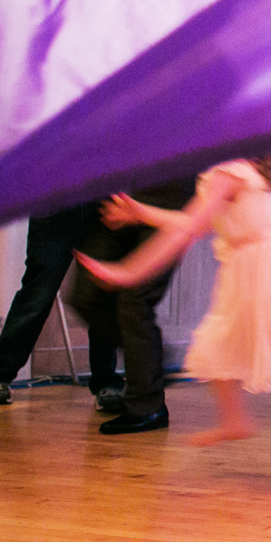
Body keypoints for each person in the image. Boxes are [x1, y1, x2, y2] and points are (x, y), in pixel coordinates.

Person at [76, 157, 271, 486]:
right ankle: (238, 421)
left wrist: (130, 271)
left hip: (268, 281)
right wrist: (142, 214)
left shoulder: (229, 173)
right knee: (225, 349)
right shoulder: (265, 171)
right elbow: (200, 224)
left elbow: (189, 228)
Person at [71, 177, 197, 434]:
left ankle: (147, 407)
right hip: (114, 197)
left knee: (134, 300)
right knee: (85, 296)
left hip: (167, 204)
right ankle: (153, 363)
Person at [0, 203, 112, 405]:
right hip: (56, 199)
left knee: (101, 294)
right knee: (37, 294)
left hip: (100, 198)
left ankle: (107, 383)